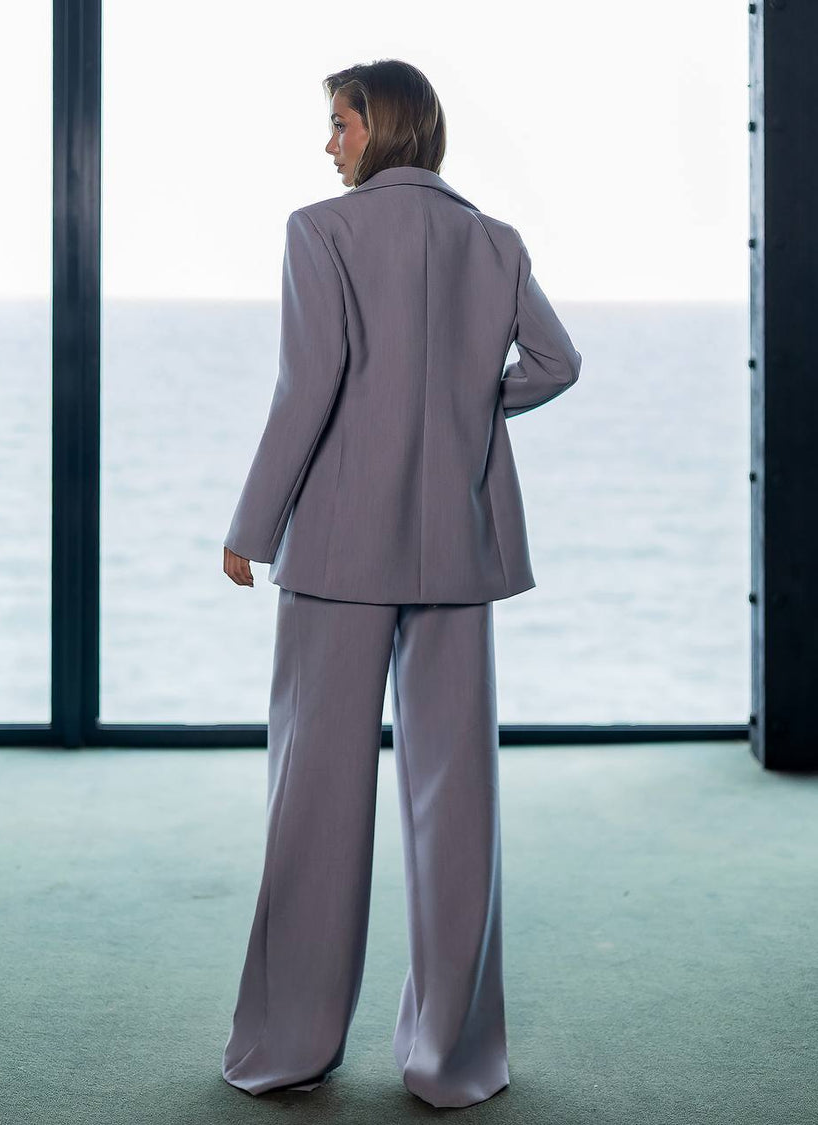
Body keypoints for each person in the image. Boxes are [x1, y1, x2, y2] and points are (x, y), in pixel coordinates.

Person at [220, 59, 581, 1109]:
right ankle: (453, 1062)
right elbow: (555, 363)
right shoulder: (495, 241)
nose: (327, 143)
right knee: (456, 803)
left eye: (339, 122)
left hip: (338, 554)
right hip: (457, 554)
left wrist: (251, 525)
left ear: (383, 128)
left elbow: (308, 387)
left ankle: (289, 1047)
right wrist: (468, 405)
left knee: (315, 803)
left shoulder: (320, 234)